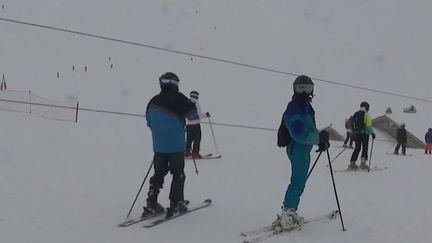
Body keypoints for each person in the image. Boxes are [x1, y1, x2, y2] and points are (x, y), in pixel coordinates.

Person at [273, 75, 330, 230]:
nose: (304, 92)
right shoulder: (294, 108)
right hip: (298, 148)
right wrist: (318, 139)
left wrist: (321, 139)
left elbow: (310, 129)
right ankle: (288, 213)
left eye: (308, 88)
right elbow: (299, 133)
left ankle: (290, 210)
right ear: (294, 89)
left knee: (299, 181)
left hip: (304, 148)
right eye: (301, 88)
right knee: (298, 181)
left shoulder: (306, 107)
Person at [143, 72, 199, 218]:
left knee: (158, 173)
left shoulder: (153, 101)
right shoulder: (180, 99)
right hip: (176, 145)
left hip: (159, 146)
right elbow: (193, 117)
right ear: (175, 84)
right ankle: (176, 202)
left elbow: (149, 121)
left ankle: (151, 203)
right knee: (178, 173)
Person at [349, 101, 376, 170]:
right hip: (364, 134)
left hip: (356, 134)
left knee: (357, 148)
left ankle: (352, 163)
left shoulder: (356, 114)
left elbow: (352, 125)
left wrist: (353, 133)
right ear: (367, 107)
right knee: (365, 148)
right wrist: (372, 133)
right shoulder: (366, 114)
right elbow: (368, 125)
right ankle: (363, 163)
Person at [185, 91, 210, 159]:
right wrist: (206, 115)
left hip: (188, 124)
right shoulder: (196, 104)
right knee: (197, 139)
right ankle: (195, 153)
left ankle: (186, 152)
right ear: (196, 96)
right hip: (196, 125)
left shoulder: (187, 103)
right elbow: (199, 115)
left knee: (189, 139)